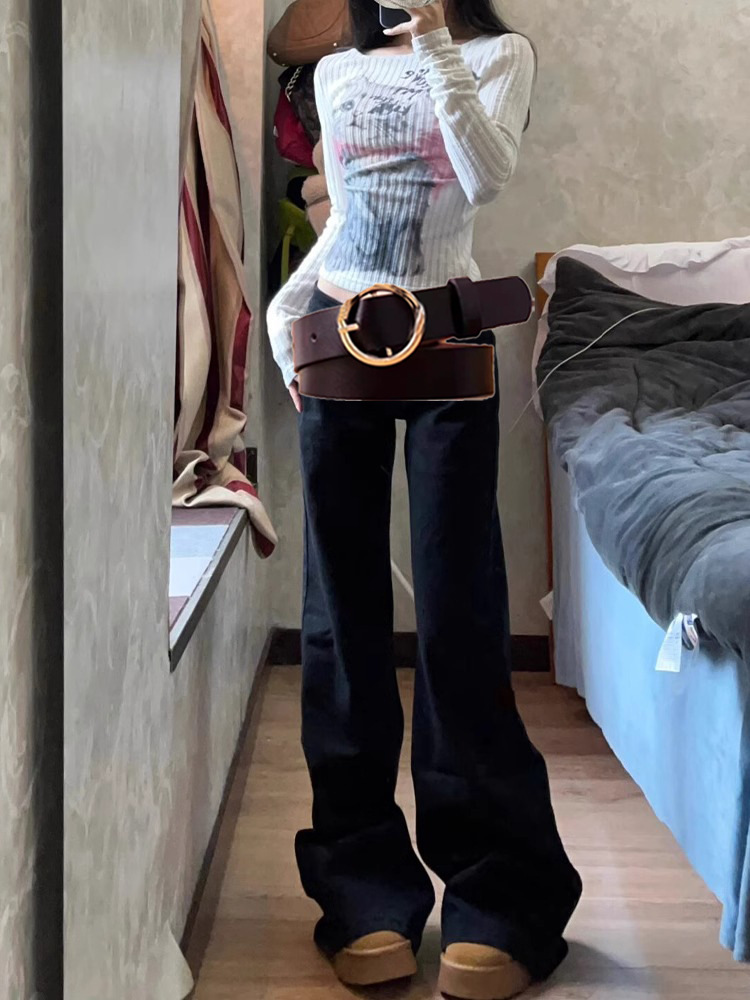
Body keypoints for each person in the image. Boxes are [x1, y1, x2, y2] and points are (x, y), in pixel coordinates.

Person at [266, 2, 582, 997]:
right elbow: (347, 220)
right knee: (339, 617)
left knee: (459, 612)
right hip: (338, 334)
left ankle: (501, 896)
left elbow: (484, 174)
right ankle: (361, 890)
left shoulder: (500, 55)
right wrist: (284, 313)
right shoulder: (336, 73)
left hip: (447, 336)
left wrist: (440, 42)